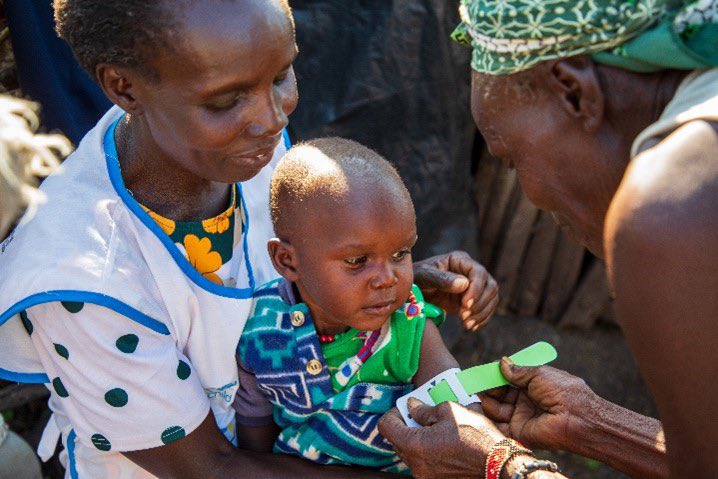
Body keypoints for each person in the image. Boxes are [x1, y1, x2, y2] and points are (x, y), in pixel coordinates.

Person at [0, 1, 498, 477]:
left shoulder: (229, 146)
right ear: (124, 88)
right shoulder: (85, 285)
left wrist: (380, 279)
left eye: (281, 75)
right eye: (226, 100)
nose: (273, 118)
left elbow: (285, 284)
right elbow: (211, 468)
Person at [378, 1, 718, 478]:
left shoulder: (673, 209)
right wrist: (595, 426)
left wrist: (504, 467)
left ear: (574, 92)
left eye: (511, 159)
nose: (530, 197)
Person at [234, 138, 479, 473]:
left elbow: (454, 397)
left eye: (400, 254)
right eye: (356, 260)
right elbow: (254, 442)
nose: (387, 279)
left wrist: (479, 438)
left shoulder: (408, 321)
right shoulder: (259, 331)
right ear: (287, 260)